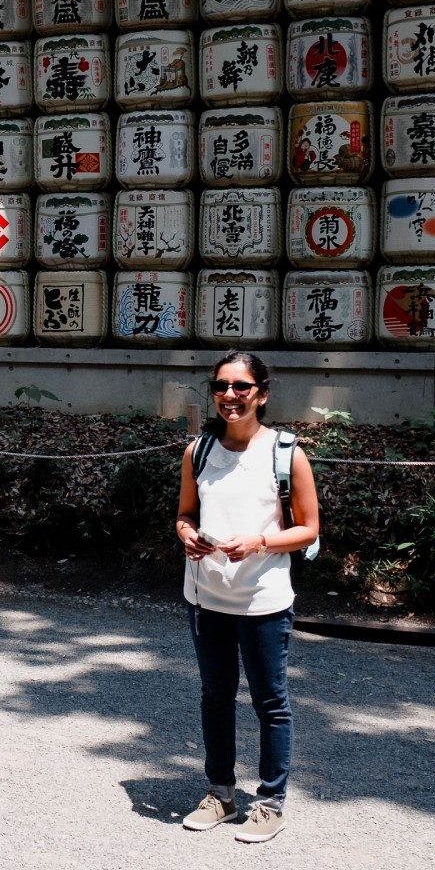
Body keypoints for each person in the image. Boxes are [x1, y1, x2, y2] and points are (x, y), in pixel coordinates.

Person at [174, 351, 319, 844]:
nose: (229, 396)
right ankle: (221, 792)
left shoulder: (286, 453)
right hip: (205, 596)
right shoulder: (199, 451)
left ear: (262, 393)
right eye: (221, 386)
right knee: (215, 698)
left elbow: (308, 529)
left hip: (263, 601)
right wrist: (186, 534)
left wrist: (258, 542)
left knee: (269, 702)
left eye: (241, 387)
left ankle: (270, 801)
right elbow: (185, 513)